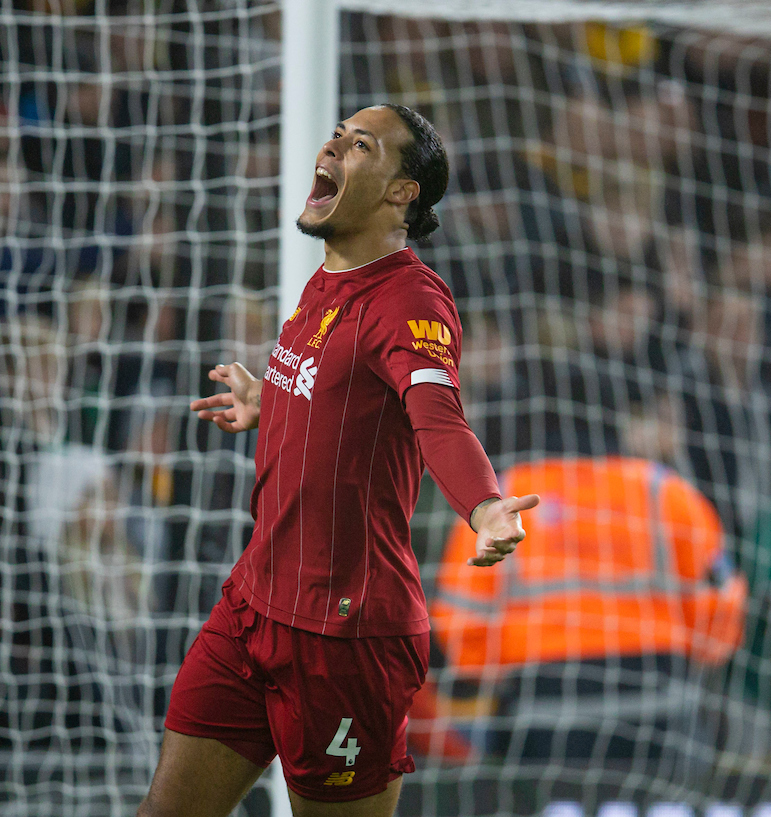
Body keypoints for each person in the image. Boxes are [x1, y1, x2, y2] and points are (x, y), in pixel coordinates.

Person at [138, 104, 538, 816]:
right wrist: (276, 403)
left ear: (400, 192)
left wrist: (484, 504)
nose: (332, 145)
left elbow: (436, 419)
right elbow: (344, 396)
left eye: (360, 144)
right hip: (252, 608)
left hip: (346, 641)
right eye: (337, 134)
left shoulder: (412, 299)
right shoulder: (328, 277)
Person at [426, 456, 746, 778]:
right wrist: (703, 653)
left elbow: (460, 616)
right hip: (663, 701)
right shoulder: (663, 489)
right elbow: (720, 602)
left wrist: (489, 670)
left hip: (543, 708)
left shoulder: (503, 495)